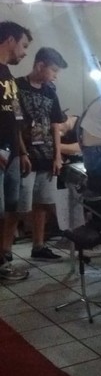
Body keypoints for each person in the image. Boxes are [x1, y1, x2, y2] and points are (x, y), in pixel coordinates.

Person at [7, 47, 69, 262]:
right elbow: (13, 124)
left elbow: (55, 125)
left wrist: (57, 155)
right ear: (40, 65)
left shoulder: (50, 91)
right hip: (25, 156)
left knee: (42, 203)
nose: (55, 75)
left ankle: (39, 246)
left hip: (47, 155)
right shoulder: (16, 86)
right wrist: (22, 152)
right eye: (54, 70)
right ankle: (5, 250)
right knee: (17, 206)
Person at [0, 21, 32, 281]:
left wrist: (21, 152)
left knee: (11, 208)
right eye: (23, 45)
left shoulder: (8, 76)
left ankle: (3, 258)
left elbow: (15, 120)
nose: (24, 52)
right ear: (9, 40)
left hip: (11, 154)